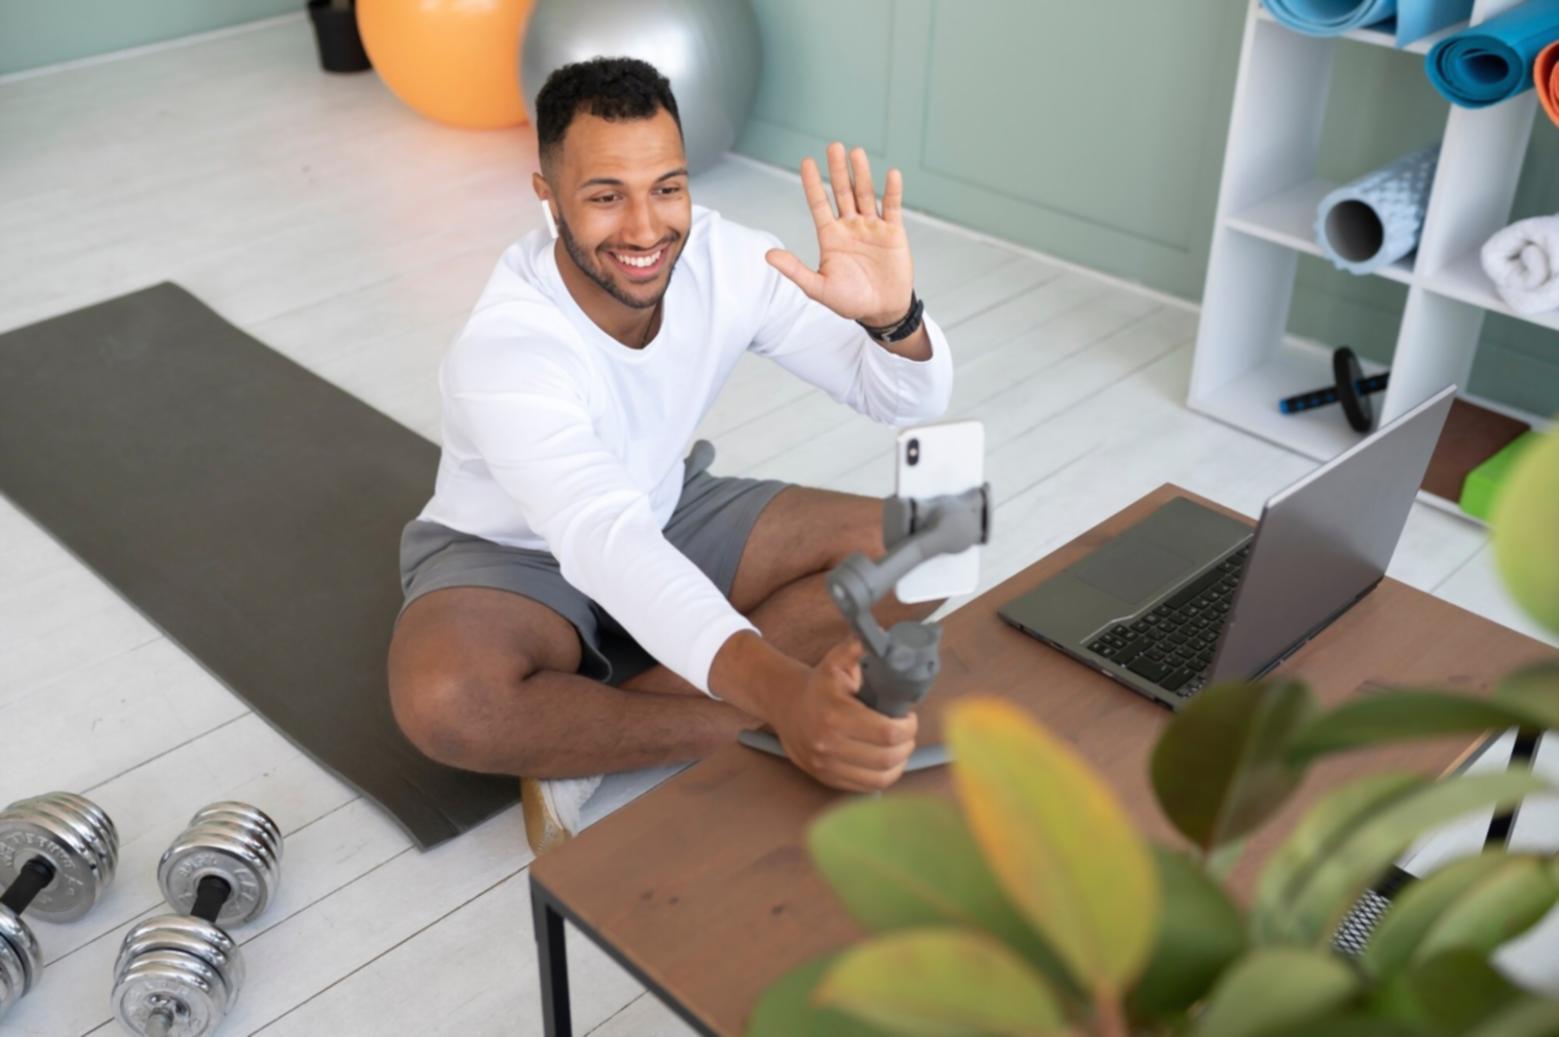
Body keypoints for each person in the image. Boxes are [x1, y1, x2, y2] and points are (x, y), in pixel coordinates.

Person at [387, 56, 954, 853]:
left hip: (663, 503)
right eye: (605, 196)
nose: (645, 229)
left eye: (666, 188)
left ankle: (592, 735)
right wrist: (788, 700)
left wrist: (893, 320)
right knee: (447, 701)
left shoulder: (728, 261)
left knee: (926, 547)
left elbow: (902, 400)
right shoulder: (509, 348)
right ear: (548, 196)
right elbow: (601, 539)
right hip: (513, 551)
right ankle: (745, 726)